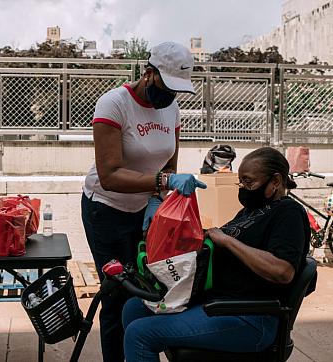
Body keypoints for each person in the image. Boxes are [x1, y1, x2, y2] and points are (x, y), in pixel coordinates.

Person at [122, 147, 310, 361]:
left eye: (249, 182)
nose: (244, 189)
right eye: (241, 182)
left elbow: (282, 271)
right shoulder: (251, 211)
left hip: (248, 318)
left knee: (140, 334)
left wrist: (227, 241)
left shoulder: (288, 213)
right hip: (218, 302)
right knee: (134, 307)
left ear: (275, 181)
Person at [81, 42, 207, 362]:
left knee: (147, 289)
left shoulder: (172, 109)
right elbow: (109, 174)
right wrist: (163, 183)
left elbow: (169, 165)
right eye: (167, 87)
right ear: (149, 73)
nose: (170, 96)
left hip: (146, 210)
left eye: (177, 90)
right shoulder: (114, 104)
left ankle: (135, 350)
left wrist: (156, 199)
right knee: (116, 293)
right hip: (106, 208)